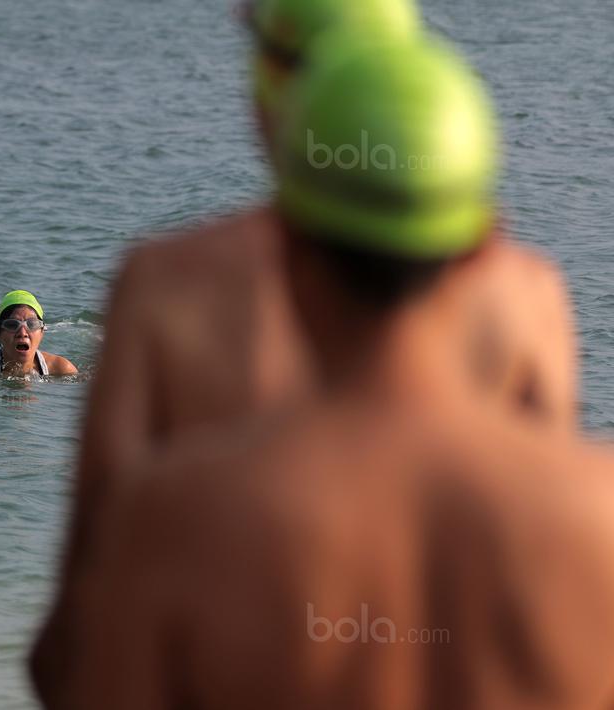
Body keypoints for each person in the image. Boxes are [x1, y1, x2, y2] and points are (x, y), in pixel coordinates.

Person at [37, 37, 614, 710]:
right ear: (484, 248)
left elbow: (69, 679)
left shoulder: (176, 515)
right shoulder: (594, 515)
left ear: (283, 248)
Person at [0, 290, 78, 377]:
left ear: (42, 332)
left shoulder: (62, 369)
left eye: (32, 324)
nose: (22, 333)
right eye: (12, 325)